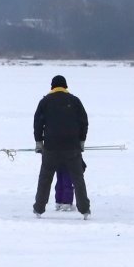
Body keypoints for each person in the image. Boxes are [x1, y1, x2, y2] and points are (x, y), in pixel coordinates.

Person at [33, 75, 91, 219]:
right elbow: (84, 122)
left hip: (51, 147)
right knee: (78, 179)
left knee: (45, 178)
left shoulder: (45, 101)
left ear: (52, 87)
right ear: (65, 86)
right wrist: (81, 141)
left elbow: (38, 123)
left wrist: (39, 142)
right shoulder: (75, 101)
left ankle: (39, 208)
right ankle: (84, 210)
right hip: (72, 147)